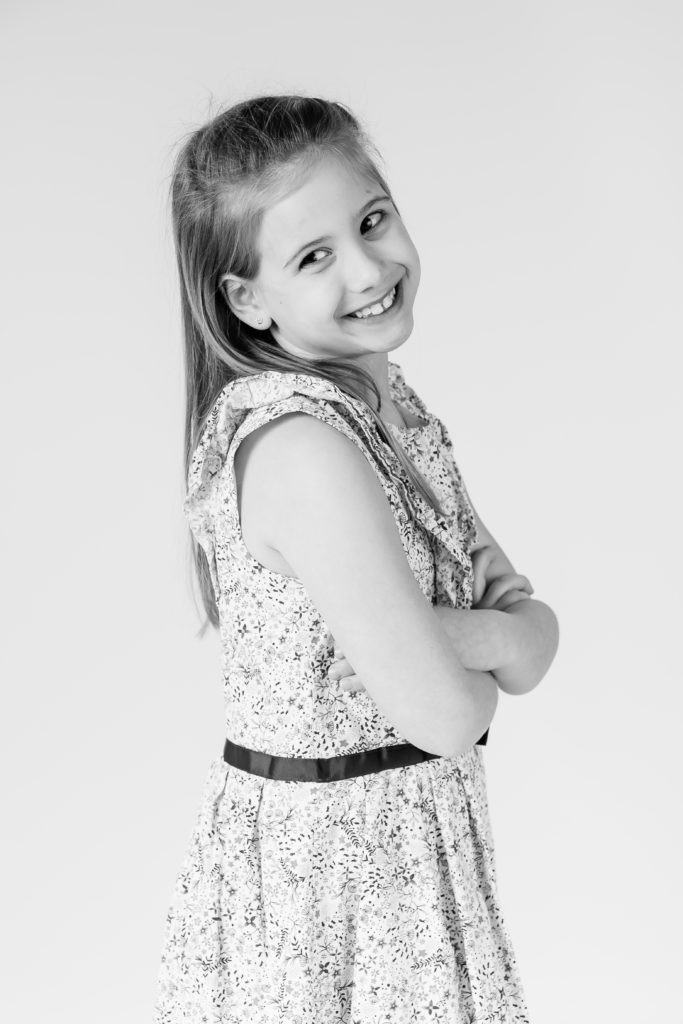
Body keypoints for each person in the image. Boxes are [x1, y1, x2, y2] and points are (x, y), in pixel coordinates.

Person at [153, 93, 559, 1024]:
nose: (371, 268)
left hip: (416, 867)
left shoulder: (391, 414)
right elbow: (453, 713)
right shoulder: (303, 449)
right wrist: (490, 639)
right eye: (313, 256)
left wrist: (454, 633)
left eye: (372, 221)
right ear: (246, 298)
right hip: (330, 897)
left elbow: (535, 650)